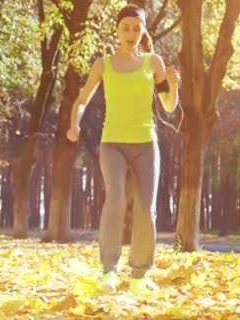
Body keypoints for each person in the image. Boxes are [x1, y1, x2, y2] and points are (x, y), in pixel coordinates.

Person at [66, 4, 180, 294]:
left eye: (136, 28)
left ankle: (140, 276)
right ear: (117, 31)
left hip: (145, 143)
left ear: (143, 31)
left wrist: (174, 86)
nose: (131, 33)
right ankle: (109, 272)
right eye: (125, 28)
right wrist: (74, 124)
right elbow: (81, 100)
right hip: (112, 143)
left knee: (145, 208)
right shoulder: (102, 65)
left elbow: (168, 106)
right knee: (115, 201)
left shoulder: (153, 62)